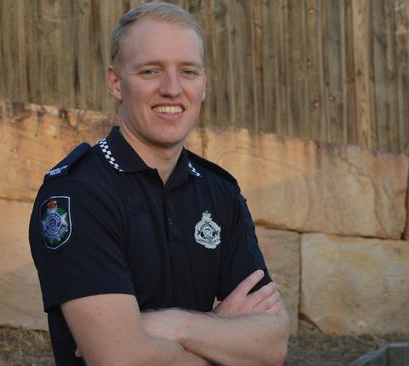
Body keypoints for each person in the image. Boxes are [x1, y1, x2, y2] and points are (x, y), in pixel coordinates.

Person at [29, 3, 289, 365]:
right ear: (116, 83)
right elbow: (119, 360)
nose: (172, 89)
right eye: (150, 70)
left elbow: (271, 345)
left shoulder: (220, 193)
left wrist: (174, 324)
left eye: (188, 71)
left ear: (204, 84)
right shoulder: (78, 194)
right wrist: (219, 333)